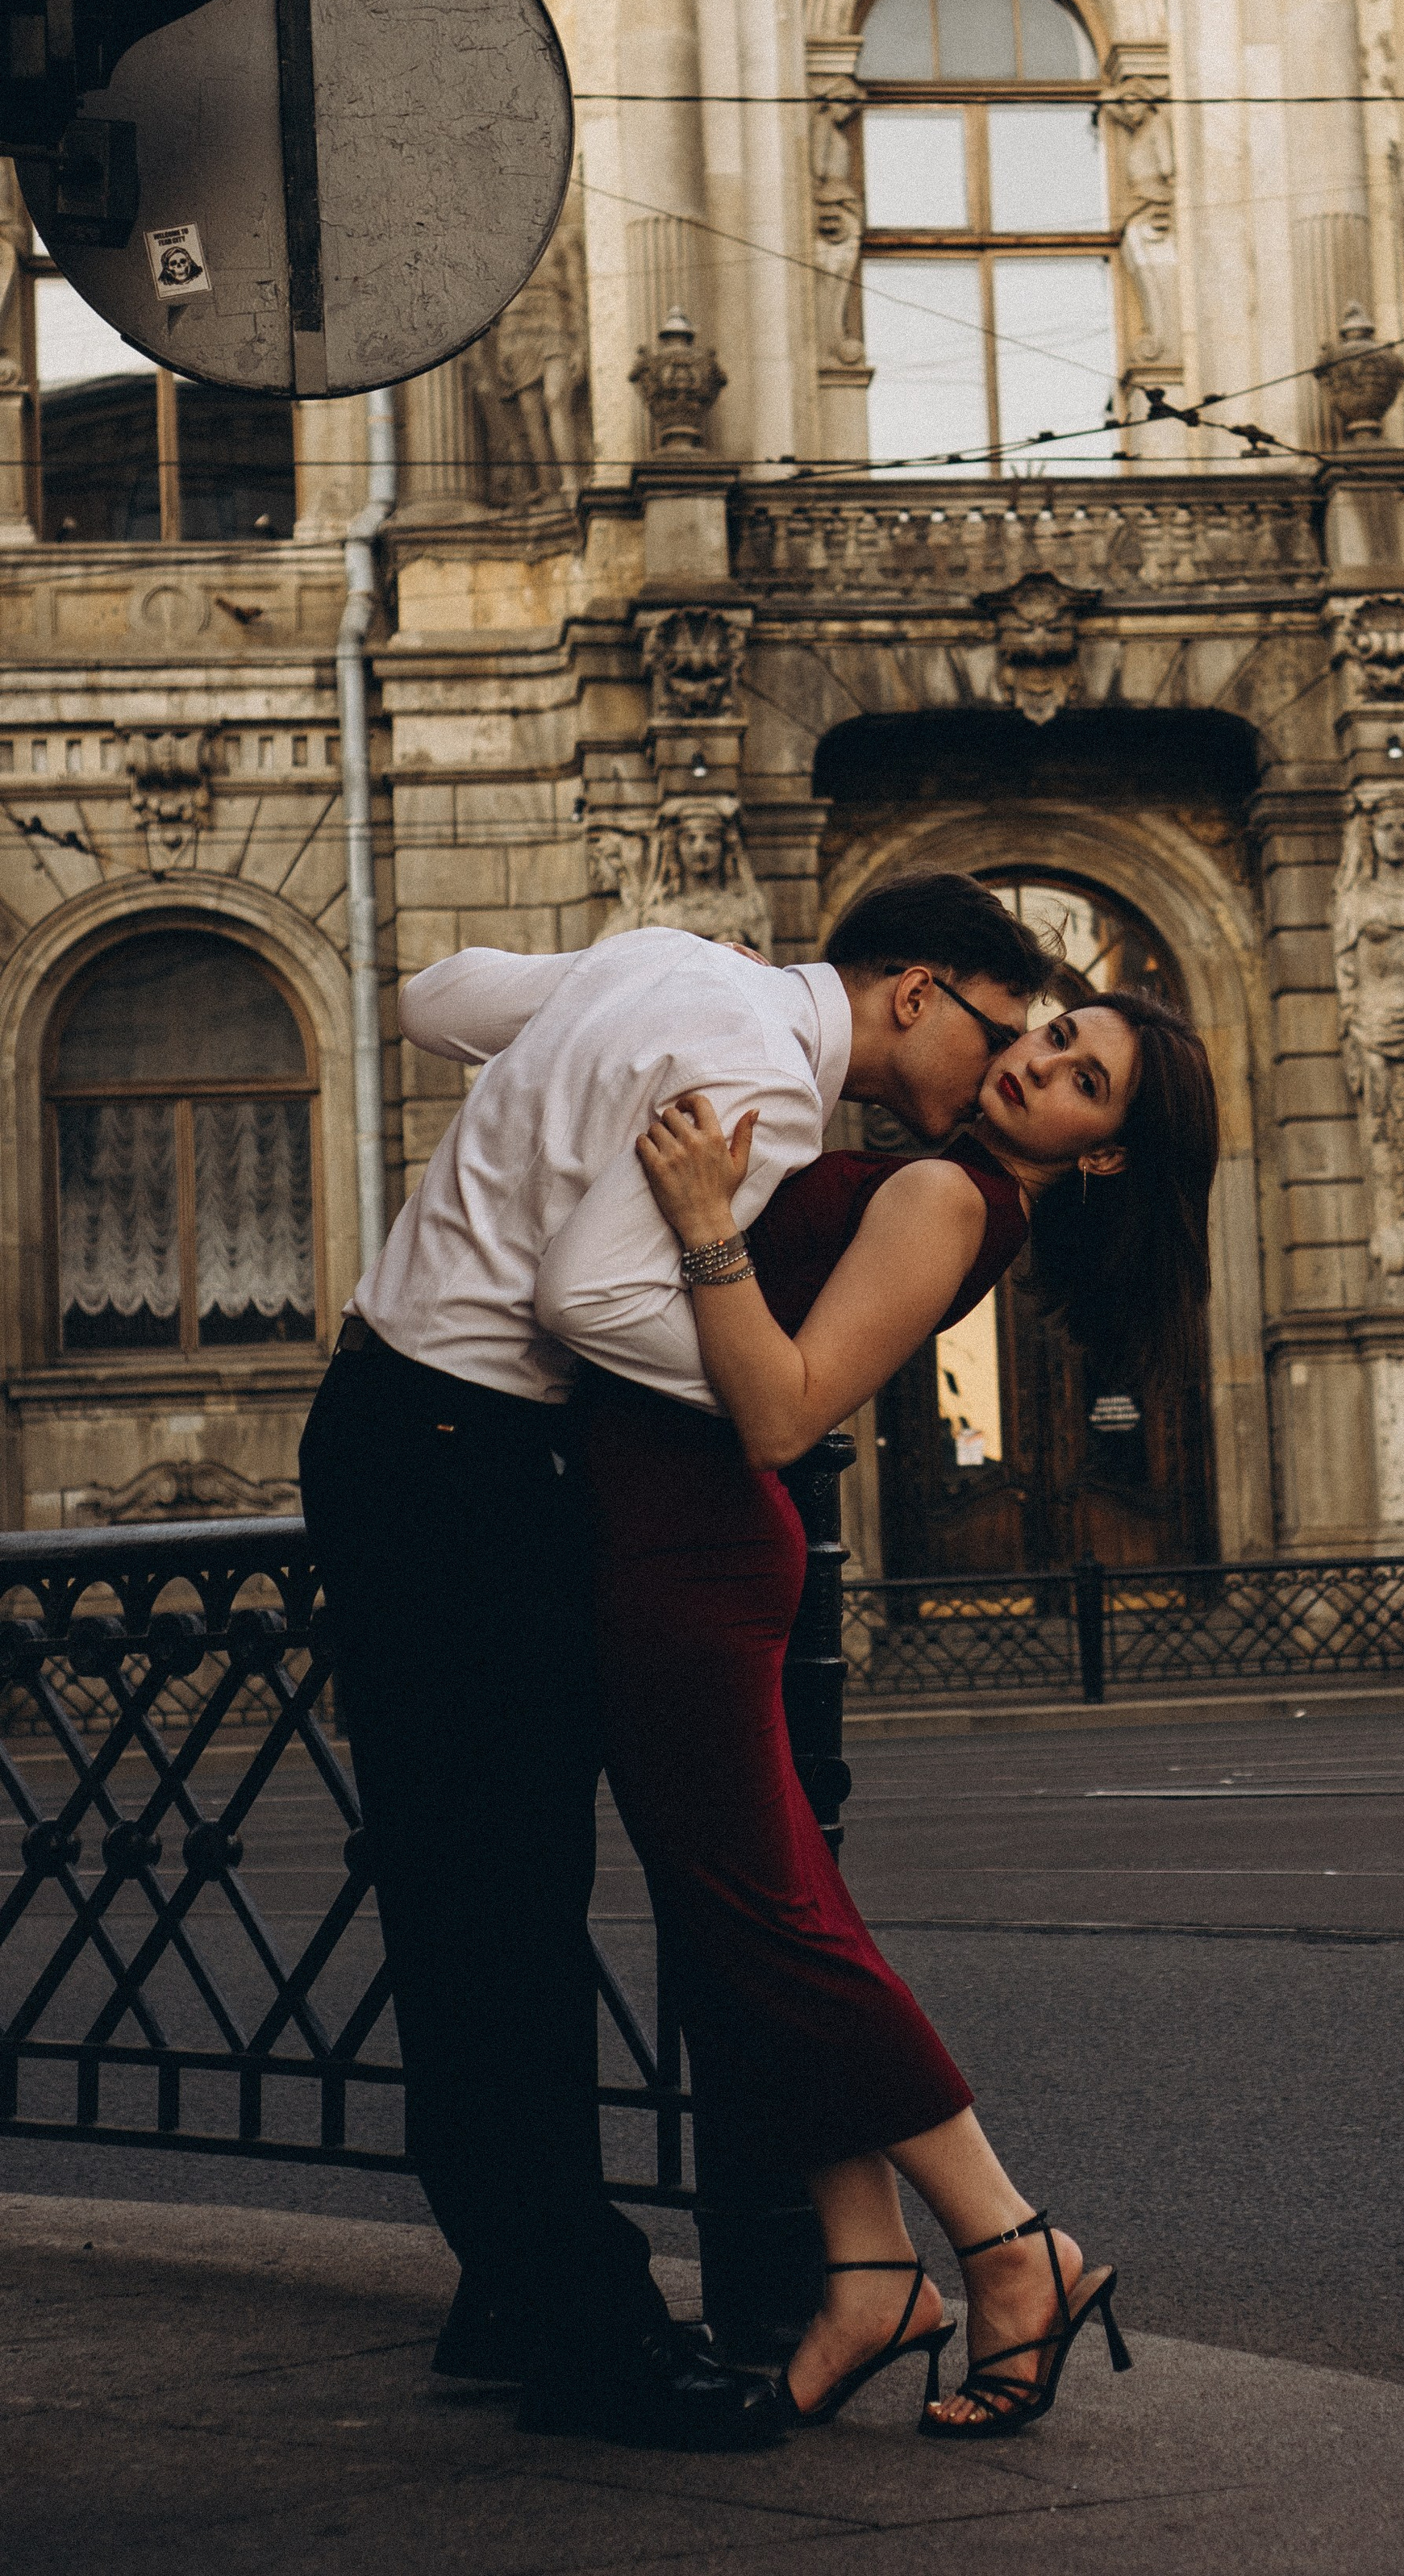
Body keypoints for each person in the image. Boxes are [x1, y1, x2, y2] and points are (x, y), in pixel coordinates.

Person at [296, 875, 1052, 2451]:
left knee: (464, 1890)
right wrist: (773, 1386)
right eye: (995, 1033)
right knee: (505, 1903)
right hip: (468, 1450)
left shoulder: (671, 970)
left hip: (383, 1426)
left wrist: (607, 994)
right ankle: (587, 2336)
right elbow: (589, 1297)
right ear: (917, 991)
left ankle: (520, 2287)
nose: (995, 1070)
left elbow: (433, 997)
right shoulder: (765, 1071)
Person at [547, 985, 1219, 2441]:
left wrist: (704, 1221)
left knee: (771, 1928)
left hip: (694, 1555)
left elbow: (788, 1414)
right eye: (1056, 1035)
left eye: (1085, 1080)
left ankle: (1010, 2247)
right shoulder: (949, 1178)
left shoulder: (949, 1196)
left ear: (1105, 1150)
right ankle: (869, 2270)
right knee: (760, 1925)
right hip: (674, 1543)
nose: (1040, 1064)